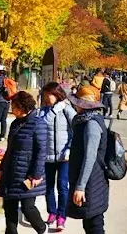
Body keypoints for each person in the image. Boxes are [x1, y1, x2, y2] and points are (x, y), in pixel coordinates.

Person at [0, 91, 48, 234]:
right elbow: (10, 149)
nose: (11, 109)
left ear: (23, 106)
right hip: (11, 172)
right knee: (9, 207)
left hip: (28, 174)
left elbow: (41, 152)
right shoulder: (15, 124)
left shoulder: (38, 124)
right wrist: (1, 169)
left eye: (14, 106)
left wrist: (36, 175)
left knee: (27, 207)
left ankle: (42, 229)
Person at [66, 86, 109, 234]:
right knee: (90, 222)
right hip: (90, 179)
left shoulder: (91, 124)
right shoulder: (83, 121)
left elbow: (90, 157)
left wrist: (81, 186)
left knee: (94, 225)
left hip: (92, 181)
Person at [40, 82, 76, 231]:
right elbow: (42, 125)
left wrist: (69, 149)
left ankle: (62, 215)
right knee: (48, 187)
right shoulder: (44, 111)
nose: (47, 98)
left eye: (50, 95)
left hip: (63, 157)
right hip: (47, 156)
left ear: (57, 94)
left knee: (62, 186)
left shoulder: (67, 109)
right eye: (45, 95)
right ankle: (52, 212)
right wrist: (54, 110)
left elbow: (76, 129)